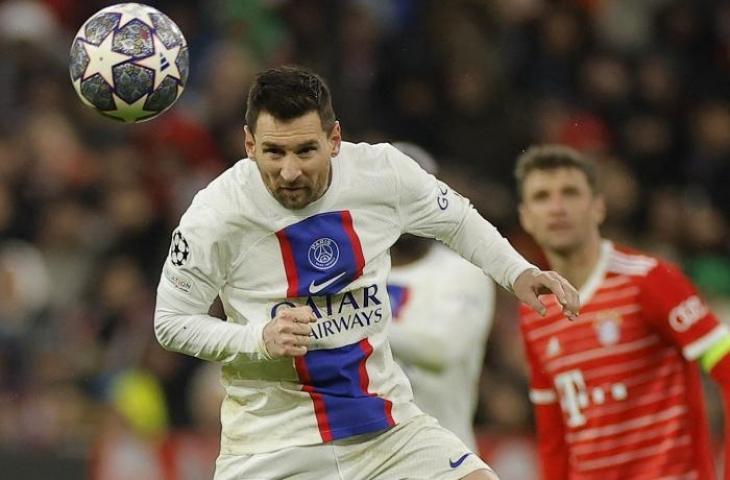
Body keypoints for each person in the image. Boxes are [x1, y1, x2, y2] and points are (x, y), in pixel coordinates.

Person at [154, 66, 579, 480]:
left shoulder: (382, 173)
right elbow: (170, 323)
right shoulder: (215, 215)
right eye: (273, 152)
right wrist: (257, 338)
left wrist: (517, 272)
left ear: (334, 139)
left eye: (305, 150)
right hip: (273, 444)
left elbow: (456, 220)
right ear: (249, 145)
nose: (289, 171)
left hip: (385, 429)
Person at [514, 144, 730, 479]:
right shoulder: (534, 311)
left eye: (570, 193)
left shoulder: (649, 280)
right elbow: (553, 432)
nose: (557, 208)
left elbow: (727, 367)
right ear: (526, 217)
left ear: (598, 207)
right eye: (542, 197)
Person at [387, 142, 495, 451]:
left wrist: (352, 323)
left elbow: (441, 348)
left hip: (444, 459)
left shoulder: (463, 273)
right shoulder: (351, 275)